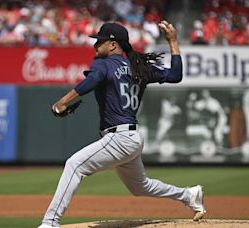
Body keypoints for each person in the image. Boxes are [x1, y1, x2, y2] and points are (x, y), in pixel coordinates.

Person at [38, 21, 205, 228]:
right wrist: (172, 42)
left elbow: (93, 80)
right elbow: (175, 75)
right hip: (131, 137)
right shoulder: (139, 67)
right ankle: (189, 195)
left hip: (120, 137)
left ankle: (50, 223)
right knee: (140, 186)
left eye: (100, 41)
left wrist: (62, 101)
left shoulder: (104, 63)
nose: (95, 45)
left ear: (113, 44)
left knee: (74, 165)